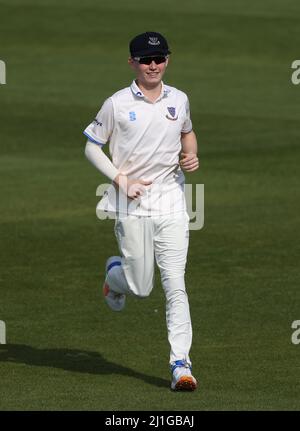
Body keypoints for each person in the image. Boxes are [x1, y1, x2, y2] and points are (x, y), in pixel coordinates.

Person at [83, 31, 199, 391]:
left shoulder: (178, 99)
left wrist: (192, 154)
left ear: (167, 59)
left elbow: (187, 133)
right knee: (141, 287)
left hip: (171, 202)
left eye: (159, 58)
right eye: (146, 60)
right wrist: (120, 179)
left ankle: (181, 364)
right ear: (132, 62)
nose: (153, 65)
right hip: (130, 203)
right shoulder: (116, 104)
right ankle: (115, 273)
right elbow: (91, 147)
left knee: (175, 283)